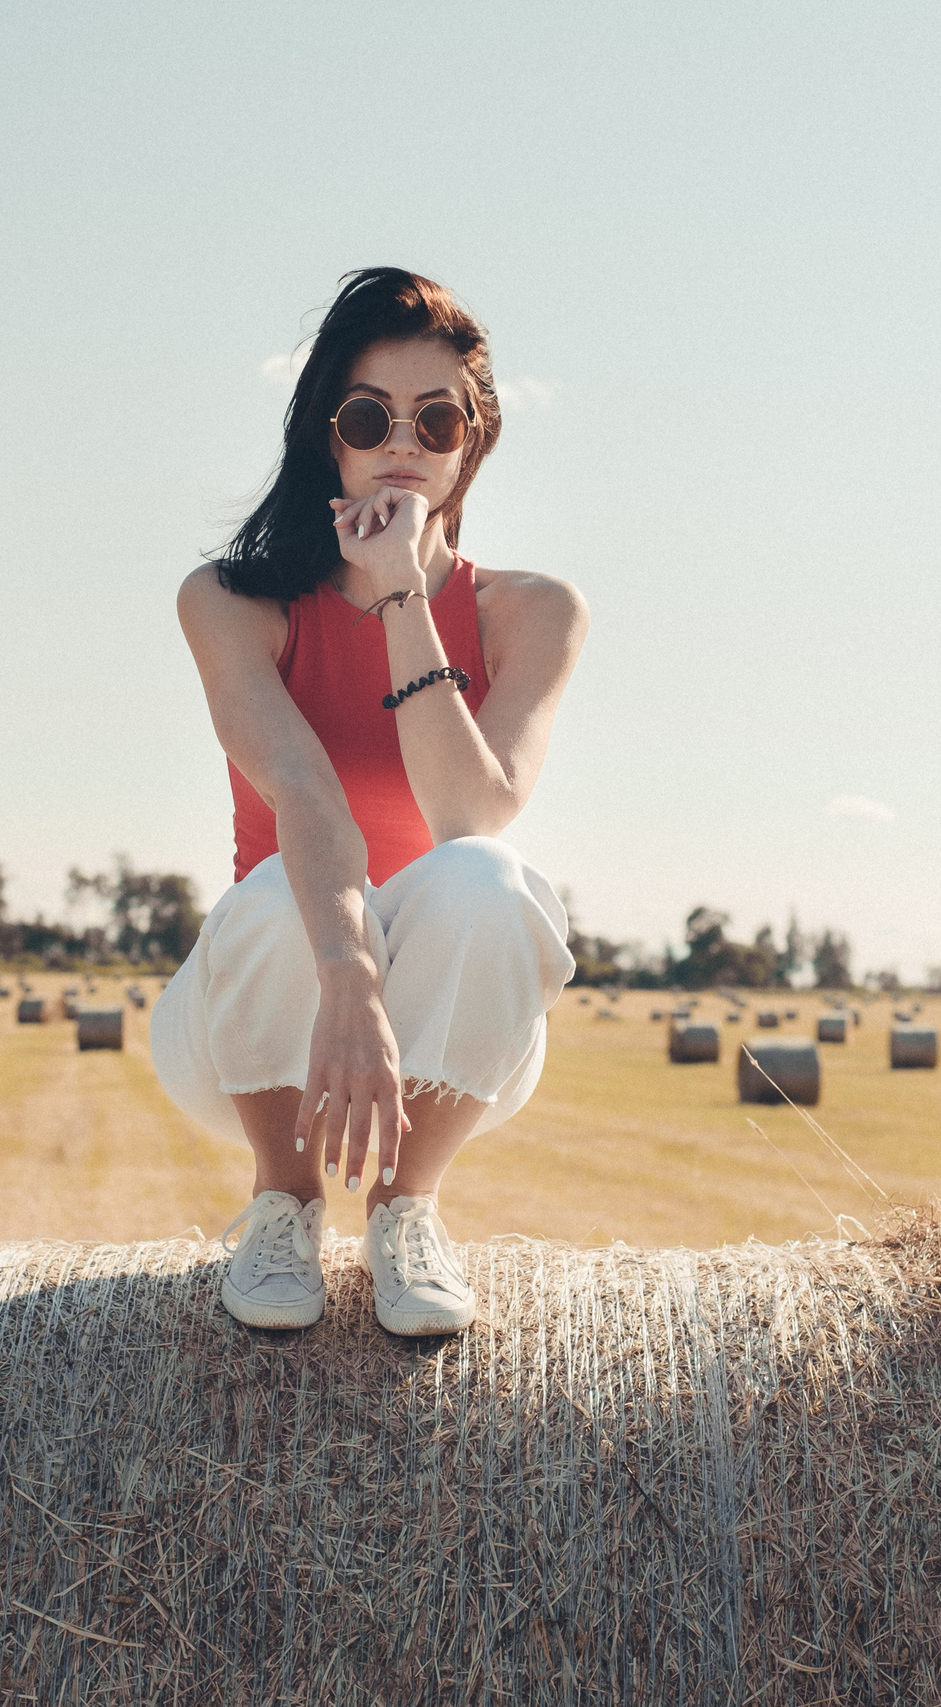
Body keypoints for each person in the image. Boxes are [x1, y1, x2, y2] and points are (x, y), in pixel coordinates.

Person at [152, 268, 587, 1336]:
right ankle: (283, 1201)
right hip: (260, 1017)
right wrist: (349, 977)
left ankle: (408, 1210)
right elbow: (304, 797)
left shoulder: (533, 612)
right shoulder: (232, 602)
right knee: (273, 893)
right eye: (367, 415)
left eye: (435, 418)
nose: (403, 440)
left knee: (489, 875)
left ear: (471, 442)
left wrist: (403, 592)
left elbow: (466, 817)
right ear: (327, 440)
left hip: (446, 1024)